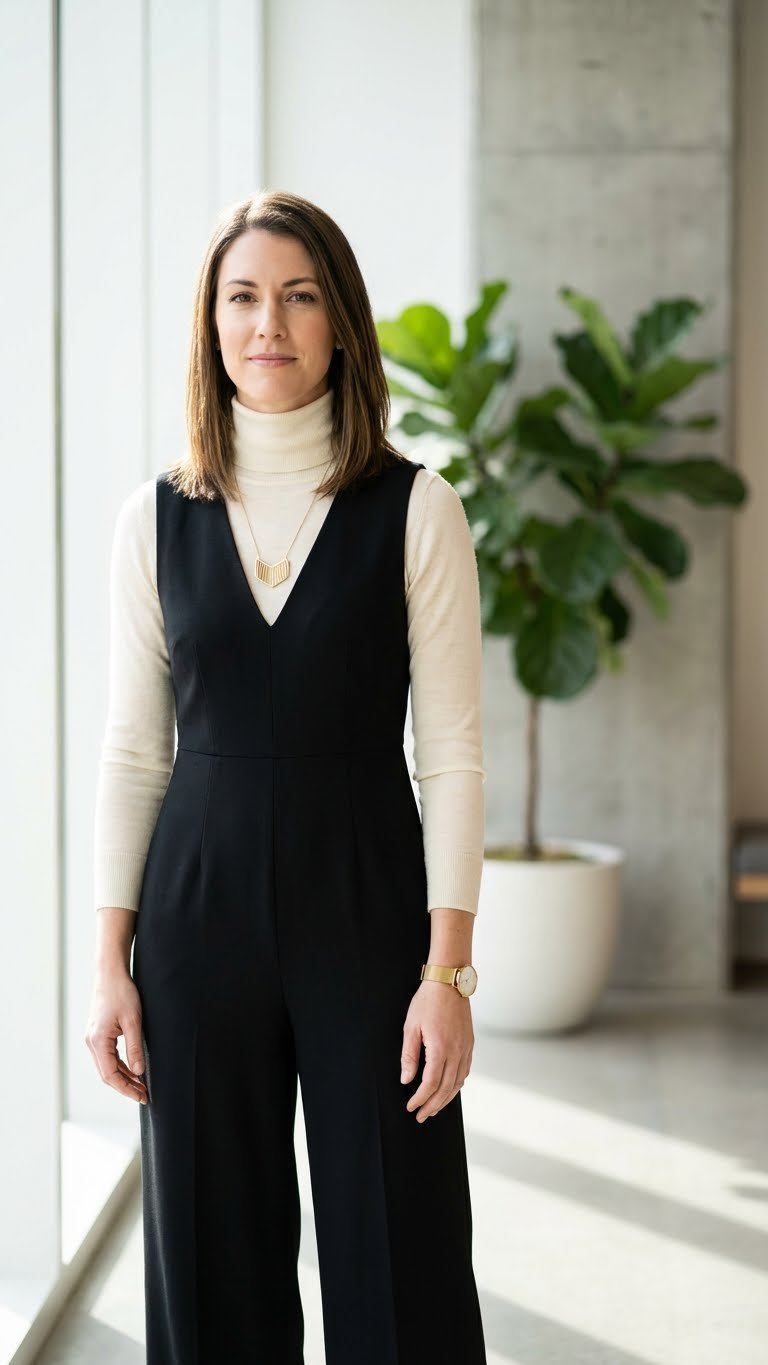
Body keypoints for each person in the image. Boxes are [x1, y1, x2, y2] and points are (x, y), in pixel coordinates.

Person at [86, 188, 488, 1364]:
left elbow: (453, 751)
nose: (272, 323)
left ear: (342, 323)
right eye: (245, 297)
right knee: (210, 1264)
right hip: (194, 915)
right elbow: (129, 751)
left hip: (366, 907)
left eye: (301, 296)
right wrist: (109, 960)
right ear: (212, 326)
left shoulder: (419, 509)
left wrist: (448, 971)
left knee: (398, 1248)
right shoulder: (152, 519)